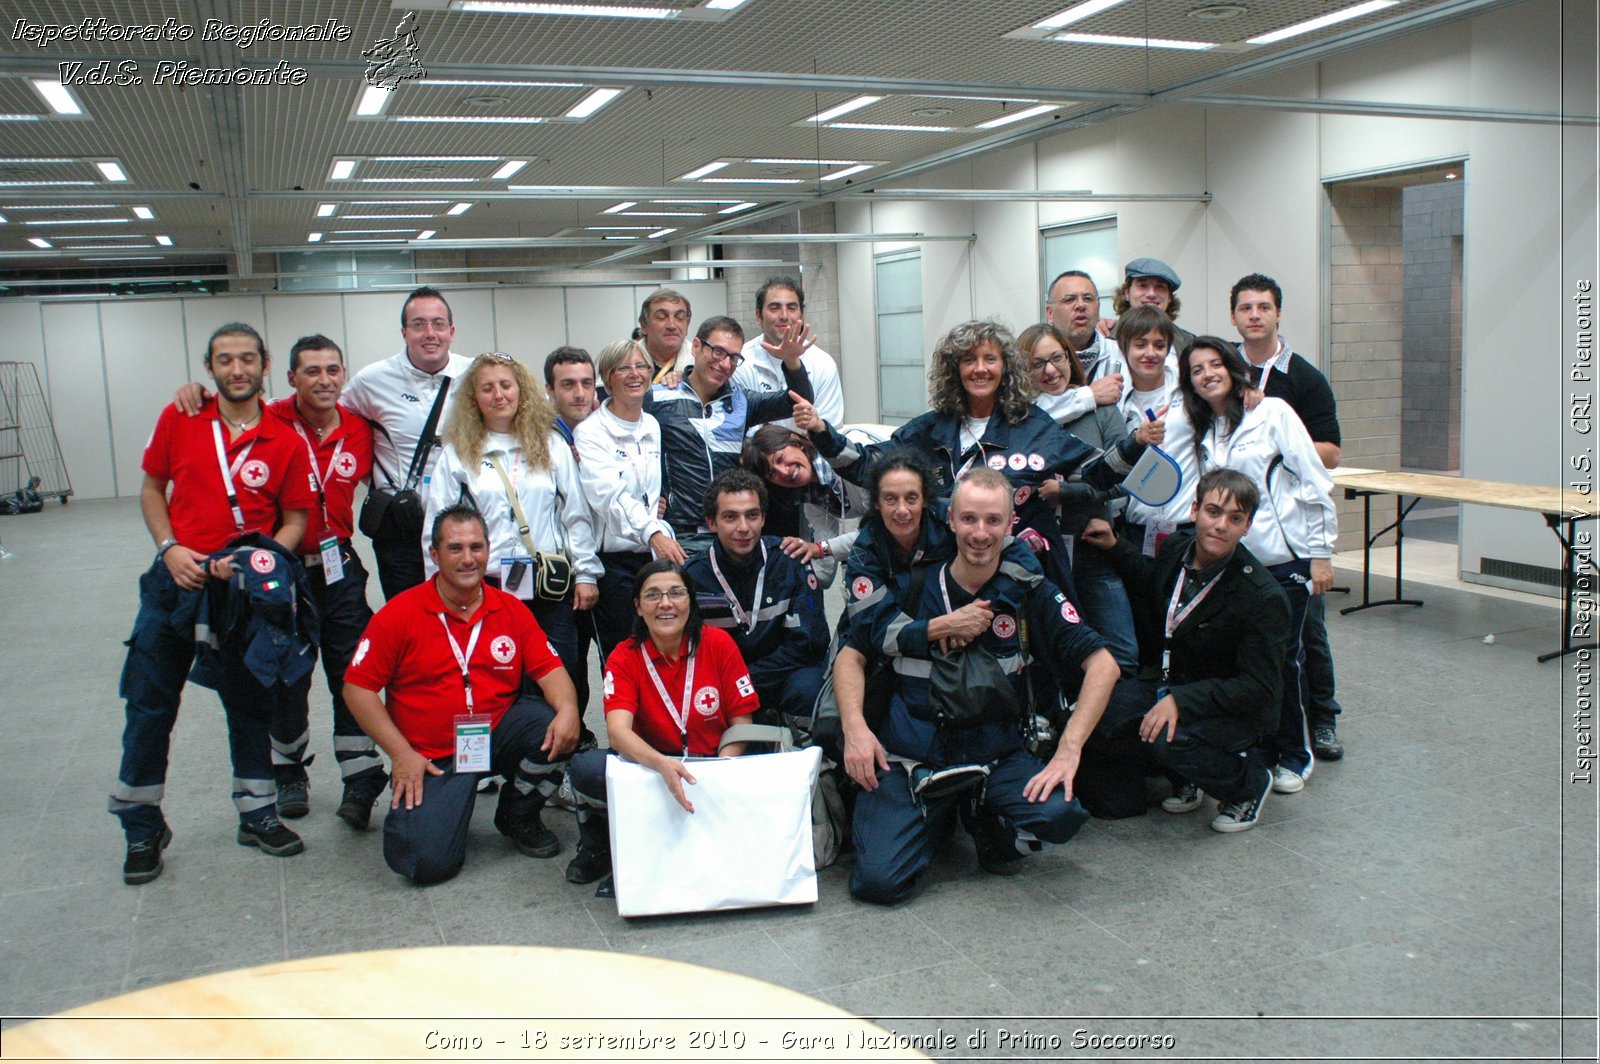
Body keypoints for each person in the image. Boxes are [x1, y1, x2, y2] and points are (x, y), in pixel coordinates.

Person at [835, 468, 1120, 904]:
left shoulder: (1030, 592)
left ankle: (985, 815)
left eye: (992, 521)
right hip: (912, 757)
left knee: (1060, 815)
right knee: (878, 884)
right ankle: (935, 816)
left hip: (993, 756)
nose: (980, 533)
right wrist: (855, 729)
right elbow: (850, 656)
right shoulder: (913, 586)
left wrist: (1069, 749)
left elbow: (1104, 666)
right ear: (950, 521)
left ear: (1010, 525)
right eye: (969, 520)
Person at [113, 323, 316, 884]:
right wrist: (168, 547)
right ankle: (141, 824)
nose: (237, 370)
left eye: (247, 358)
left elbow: (296, 518)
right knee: (149, 704)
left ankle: (257, 812)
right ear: (210, 368)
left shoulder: (285, 438)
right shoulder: (180, 418)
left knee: (250, 704)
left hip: (243, 596)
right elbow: (153, 488)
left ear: (265, 363)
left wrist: (263, 561)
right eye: (225, 360)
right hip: (176, 582)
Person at [793, 318, 1142, 614]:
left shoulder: (1034, 426)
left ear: (1005, 366)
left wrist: (1137, 443)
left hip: (1017, 584)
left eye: (990, 358)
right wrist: (823, 433)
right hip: (943, 581)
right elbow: (870, 469)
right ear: (954, 370)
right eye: (968, 360)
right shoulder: (930, 430)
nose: (980, 368)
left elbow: (1097, 474)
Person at [343, 505, 582, 884]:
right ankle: (441, 808)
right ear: (434, 555)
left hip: (496, 733)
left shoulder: (510, 609)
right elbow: (357, 688)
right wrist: (401, 754)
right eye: (455, 549)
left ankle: (517, 814)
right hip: (432, 756)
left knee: (555, 726)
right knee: (424, 863)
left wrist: (568, 709)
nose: (468, 559)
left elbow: (551, 669)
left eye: (476, 547)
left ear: (489, 550)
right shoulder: (400, 614)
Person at [1142, 336, 1336, 793]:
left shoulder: (1274, 413)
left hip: (1285, 561)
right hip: (1238, 563)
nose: (1207, 374)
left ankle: (1295, 753)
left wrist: (1322, 554)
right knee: (1245, 666)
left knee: (1285, 661)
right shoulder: (1209, 428)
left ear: (1232, 368)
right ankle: (1261, 749)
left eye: (1215, 365)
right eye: (1196, 369)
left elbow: (1314, 480)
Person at [1079, 468, 1291, 831]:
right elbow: (1153, 583)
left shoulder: (1262, 597)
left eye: (1235, 518)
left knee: (1166, 736)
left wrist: (1182, 700)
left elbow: (1259, 688)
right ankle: (1186, 776)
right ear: (1195, 511)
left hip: (1233, 708)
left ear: (1247, 527)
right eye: (1213, 512)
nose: (1221, 525)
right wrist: (1115, 546)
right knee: (1106, 713)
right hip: (1173, 681)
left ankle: (1246, 785)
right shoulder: (1177, 548)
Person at [563, 560, 760, 890]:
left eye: (676, 593)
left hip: (711, 765)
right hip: (650, 767)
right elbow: (618, 731)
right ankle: (599, 847)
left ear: (690, 601)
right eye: (653, 595)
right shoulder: (624, 656)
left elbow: (741, 722)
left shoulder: (720, 645)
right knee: (587, 768)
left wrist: (723, 769)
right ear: (638, 607)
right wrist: (660, 764)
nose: (665, 603)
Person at [424, 353, 601, 705]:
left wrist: (586, 573)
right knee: (497, 671)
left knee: (561, 669)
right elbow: (436, 528)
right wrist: (436, 587)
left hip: (548, 583)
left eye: (506, 385)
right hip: (486, 585)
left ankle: (563, 747)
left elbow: (575, 514)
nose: (498, 395)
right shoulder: (457, 453)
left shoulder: (550, 445)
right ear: (474, 398)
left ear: (522, 391)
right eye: (487, 388)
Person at [263, 335, 388, 829]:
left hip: (339, 566)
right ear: (291, 378)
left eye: (333, 370)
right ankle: (288, 768)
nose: (323, 380)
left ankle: (360, 778)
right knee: (287, 675)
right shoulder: (268, 420)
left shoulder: (359, 429)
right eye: (311, 371)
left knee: (352, 672)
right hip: (280, 570)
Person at [1231, 272, 1347, 762]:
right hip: (1238, 534)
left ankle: (1321, 719)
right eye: (1245, 308)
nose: (1255, 315)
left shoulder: (1304, 378)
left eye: (1264, 307)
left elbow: (1332, 453)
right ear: (1233, 316)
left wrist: (1279, 430)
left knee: (1306, 635)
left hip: (1291, 534)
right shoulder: (1224, 371)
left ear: (1278, 313)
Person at [1019, 322, 1149, 673]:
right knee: (1049, 654)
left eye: (1057, 358)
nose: (1050, 370)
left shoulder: (1103, 409)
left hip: (1094, 548)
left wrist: (1069, 491)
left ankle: (1116, 721)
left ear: (1070, 358)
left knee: (1121, 649)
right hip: (1039, 557)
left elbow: (1127, 478)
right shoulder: (1019, 420)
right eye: (1037, 363)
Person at [343, 286, 474, 600]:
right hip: (402, 527)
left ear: (452, 331)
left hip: (463, 524)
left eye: (438, 324)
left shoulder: (475, 374)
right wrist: (370, 474)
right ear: (404, 332)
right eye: (419, 325)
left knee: (464, 613)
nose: (430, 333)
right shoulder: (372, 380)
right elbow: (329, 418)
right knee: (410, 619)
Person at [647, 316, 813, 551]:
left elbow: (796, 400)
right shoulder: (660, 396)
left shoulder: (742, 400)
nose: (725, 364)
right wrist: (650, 497)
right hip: (679, 532)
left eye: (734, 358)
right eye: (717, 352)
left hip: (732, 530)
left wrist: (791, 360)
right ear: (695, 346)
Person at [685, 469, 829, 732]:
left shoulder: (790, 561)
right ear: (712, 522)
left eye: (752, 515)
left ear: (763, 518)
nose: (743, 528)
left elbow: (812, 644)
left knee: (811, 686)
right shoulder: (692, 576)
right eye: (730, 517)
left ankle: (811, 758)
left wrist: (746, 681)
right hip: (719, 687)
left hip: (780, 679)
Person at [575, 339, 685, 665]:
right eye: (624, 367)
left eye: (641, 366)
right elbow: (610, 496)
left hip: (650, 557)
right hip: (615, 563)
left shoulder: (650, 424)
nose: (635, 374)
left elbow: (648, 488)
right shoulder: (591, 432)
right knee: (624, 658)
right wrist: (653, 530)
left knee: (662, 651)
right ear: (607, 379)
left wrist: (656, 515)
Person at [740, 423, 869, 586]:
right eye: (772, 473)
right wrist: (788, 578)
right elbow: (824, 569)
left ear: (796, 441)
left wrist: (818, 549)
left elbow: (878, 532)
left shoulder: (850, 452)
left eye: (780, 458)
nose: (784, 472)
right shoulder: (812, 498)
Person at [733, 275, 845, 430]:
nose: (784, 316)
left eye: (792, 308)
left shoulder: (823, 363)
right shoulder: (740, 361)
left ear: (801, 315)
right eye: (775, 308)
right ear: (759, 316)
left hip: (809, 453)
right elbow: (740, 427)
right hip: (757, 453)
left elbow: (831, 428)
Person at [1043, 270, 1125, 423]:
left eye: (1088, 298)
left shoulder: (1122, 353)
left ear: (1098, 307)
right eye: (1069, 299)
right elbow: (1024, 417)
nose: (1080, 305)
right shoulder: (1034, 360)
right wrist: (1090, 395)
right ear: (1050, 312)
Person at [1110, 257, 1196, 355]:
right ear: (1127, 293)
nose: (1151, 294)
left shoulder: (1188, 343)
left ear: (1169, 298)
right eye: (1143, 285)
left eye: (1160, 287)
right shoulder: (1104, 337)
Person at [544, 346, 597, 453]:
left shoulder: (607, 432)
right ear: (550, 390)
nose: (580, 394)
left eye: (586, 383)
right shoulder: (537, 440)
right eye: (568, 384)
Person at [635, 289, 696, 383]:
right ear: (644, 325)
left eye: (680, 318)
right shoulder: (624, 361)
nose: (671, 326)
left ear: (687, 325)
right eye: (661, 317)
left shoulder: (700, 362)